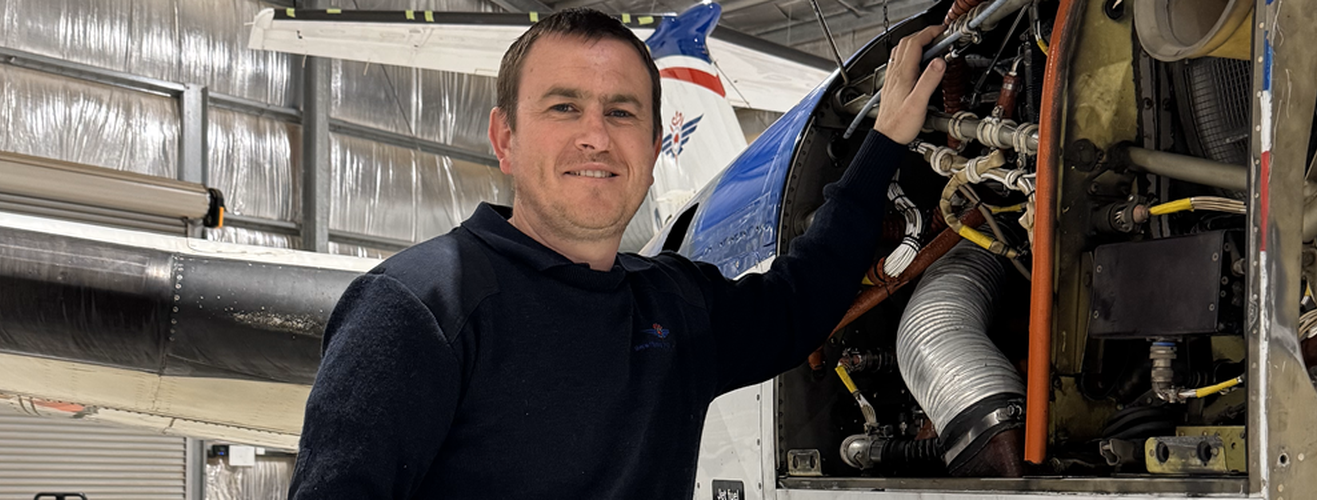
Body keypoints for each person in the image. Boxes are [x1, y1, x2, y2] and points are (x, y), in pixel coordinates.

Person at [288, 8, 945, 499]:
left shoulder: (675, 306)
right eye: (564, 108)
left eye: (622, 112)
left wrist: (884, 142)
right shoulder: (418, 308)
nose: (595, 137)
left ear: (655, 148)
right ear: (505, 138)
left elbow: (802, 300)